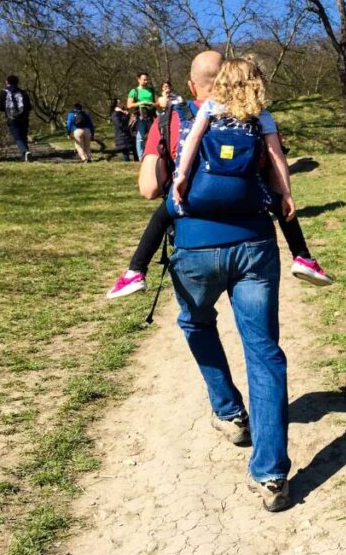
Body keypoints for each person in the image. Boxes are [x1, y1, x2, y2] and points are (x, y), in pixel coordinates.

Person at [136, 50, 291, 512]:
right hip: (255, 245)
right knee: (263, 351)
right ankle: (271, 476)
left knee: (197, 322)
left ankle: (229, 412)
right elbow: (277, 176)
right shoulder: (254, 115)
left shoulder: (171, 121)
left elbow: (149, 188)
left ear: (192, 82)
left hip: (195, 248)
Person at [106, 63, 332, 299]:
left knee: (164, 213)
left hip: (201, 193)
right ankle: (303, 256)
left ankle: (136, 270)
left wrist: (181, 176)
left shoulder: (209, 108)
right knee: (285, 211)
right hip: (249, 195)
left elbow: (192, 140)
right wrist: (286, 194)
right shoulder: (262, 116)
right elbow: (277, 158)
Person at [0, 75, 31, 161]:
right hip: (24, 118)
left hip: (11, 118)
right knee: (23, 136)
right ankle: (25, 155)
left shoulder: (3, 92)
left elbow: (0, 107)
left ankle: (25, 152)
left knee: (17, 136)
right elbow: (29, 106)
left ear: (7, 82)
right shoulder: (23, 92)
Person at [127, 72, 156, 159]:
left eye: (147, 79)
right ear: (139, 80)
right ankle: (141, 157)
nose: (146, 81)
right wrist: (141, 103)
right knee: (140, 137)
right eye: (144, 79)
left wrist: (152, 104)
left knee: (153, 135)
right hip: (140, 115)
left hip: (151, 114)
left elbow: (157, 102)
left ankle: (152, 154)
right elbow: (129, 105)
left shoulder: (151, 90)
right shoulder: (134, 91)